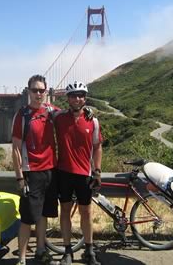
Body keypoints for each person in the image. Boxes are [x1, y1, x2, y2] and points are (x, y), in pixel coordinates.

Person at [53, 81, 103, 265]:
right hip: (63, 172)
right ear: (68, 98)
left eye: (81, 95)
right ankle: (67, 252)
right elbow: (43, 109)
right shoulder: (58, 118)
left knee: (86, 212)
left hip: (84, 173)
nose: (77, 98)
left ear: (85, 98)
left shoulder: (93, 120)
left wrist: (97, 171)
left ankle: (89, 252)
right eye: (73, 95)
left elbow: (97, 147)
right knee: (65, 211)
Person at [12, 74, 59, 265]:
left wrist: (87, 110)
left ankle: (40, 251)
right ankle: (22, 259)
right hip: (31, 172)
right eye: (34, 90)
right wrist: (19, 178)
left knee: (43, 214)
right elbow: (15, 148)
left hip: (51, 171)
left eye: (41, 90)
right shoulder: (22, 115)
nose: (38, 93)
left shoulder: (51, 111)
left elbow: (72, 116)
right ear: (28, 92)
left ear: (46, 92)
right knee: (27, 218)